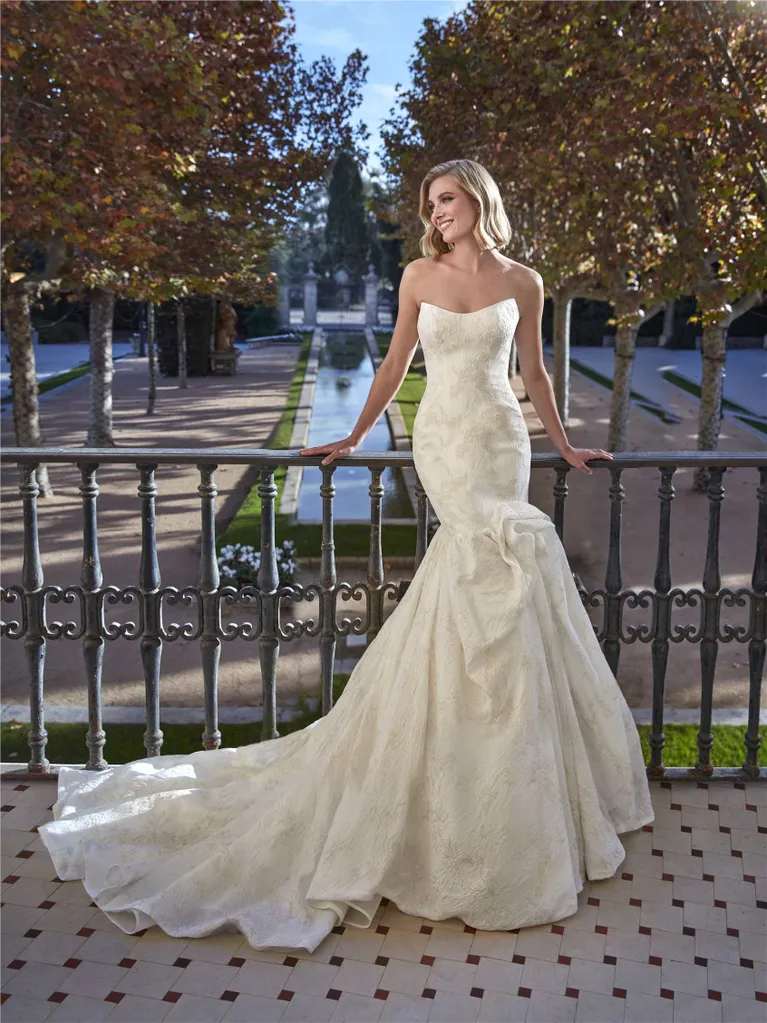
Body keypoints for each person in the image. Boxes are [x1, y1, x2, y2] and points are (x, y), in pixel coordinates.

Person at [38, 158, 654, 954]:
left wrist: (564, 446)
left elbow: (531, 370)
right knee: (478, 555)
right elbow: (396, 361)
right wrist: (354, 436)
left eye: (447, 199)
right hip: (443, 438)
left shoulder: (524, 280)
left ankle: (501, 771)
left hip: (500, 435)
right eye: (429, 204)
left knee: (507, 562)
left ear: (477, 198)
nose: (436, 213)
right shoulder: (416, 274)